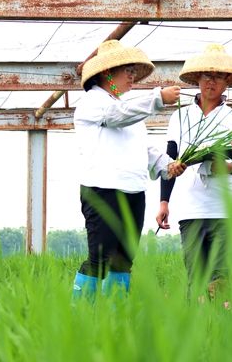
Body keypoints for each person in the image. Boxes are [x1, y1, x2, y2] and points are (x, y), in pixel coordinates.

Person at [72, 39, 185, 299]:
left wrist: (168, 166)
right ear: (106, 73)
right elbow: (116, 115)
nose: (132, 77)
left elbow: (143, 148)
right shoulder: (93, 102)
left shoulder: (129, 110)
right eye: (127, 71)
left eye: (133, 71)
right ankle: (80, 317)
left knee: (123, 260)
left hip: (134, 191)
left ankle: (116, 319)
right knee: (99, 258)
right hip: (103, 190)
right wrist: (157, 98)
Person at [155, 44, 232, 298]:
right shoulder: (179, 117)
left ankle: (223, 333)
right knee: (196, 281)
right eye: (206, 76)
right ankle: (198, 334)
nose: (211, 82)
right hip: (191, 210)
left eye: (219, 76)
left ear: (228, 82)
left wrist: (227, 167)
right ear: (197, 79)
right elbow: (170, 161)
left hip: (226, 212)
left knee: (222, 282)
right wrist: (164, 202)